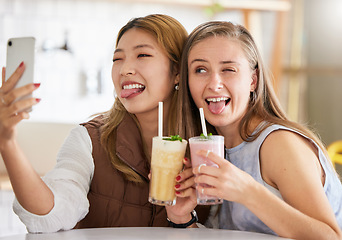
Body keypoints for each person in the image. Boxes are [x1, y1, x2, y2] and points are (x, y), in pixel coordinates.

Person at [0, 14, 208, 233]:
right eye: (117, 58)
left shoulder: (207, 146)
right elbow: (52, 214)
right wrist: (7, 142)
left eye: (143, 55)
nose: (124, 69)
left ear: (177, 71)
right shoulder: (89, 140)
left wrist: (183, 218)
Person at [169, 21, 342, 239]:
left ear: (253, 80)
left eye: (228, 69)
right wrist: (183, 219)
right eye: (200, 69)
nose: (214, 83)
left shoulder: (279, 144)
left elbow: (330, 237)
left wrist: (248, 191)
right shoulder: (212, 149)